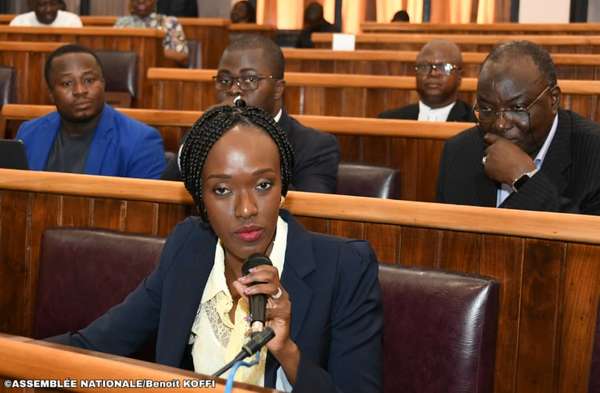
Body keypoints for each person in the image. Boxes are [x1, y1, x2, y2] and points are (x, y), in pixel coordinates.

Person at [49, 101, 383, 392]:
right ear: (200, 201)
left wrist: (287, 351)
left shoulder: (344, 267)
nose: (247, 209)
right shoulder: (189, 246)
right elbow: (97, 343)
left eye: (264, 185)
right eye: (222, 190)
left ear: (283, 188)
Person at [161, 35, 340, 194]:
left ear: (278, 89)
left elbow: (309, 217)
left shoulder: (315, 147)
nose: (233, 89)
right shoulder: (203, 134)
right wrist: (199, 138)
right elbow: (162, 197)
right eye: (224, 80)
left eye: (249, 80)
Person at [437, 40, 600, 214]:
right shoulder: (458, 152)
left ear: (553, 100)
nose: (500, 124)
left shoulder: (594, 153)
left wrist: (524, 180)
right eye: (486, 109)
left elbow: (584, 236)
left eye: (517, 109)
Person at [16, 44, 165, 179]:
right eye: (67, 83)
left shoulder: (141, 141)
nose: (80, 91)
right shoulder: (29, 132)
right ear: (51, 94)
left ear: (103, 84)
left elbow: (146, 208)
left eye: (88, 80)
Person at [378, 39, 476, 122]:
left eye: (444, 67)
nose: (433, 73)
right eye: (424, 67)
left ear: (460, 76)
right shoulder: (389, 120)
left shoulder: (475, 124)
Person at [114, 0, 189, 65]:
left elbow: (183, 57)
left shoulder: (170, 22)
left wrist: (153, 51)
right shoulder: (121, 23)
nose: (141, 0)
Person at [9, 0, 82, 27]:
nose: (48, 10)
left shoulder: (72, 21)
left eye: (52, 4)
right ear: (33, 6)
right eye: (42, 5)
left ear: (58, 5)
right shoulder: (19, 22)